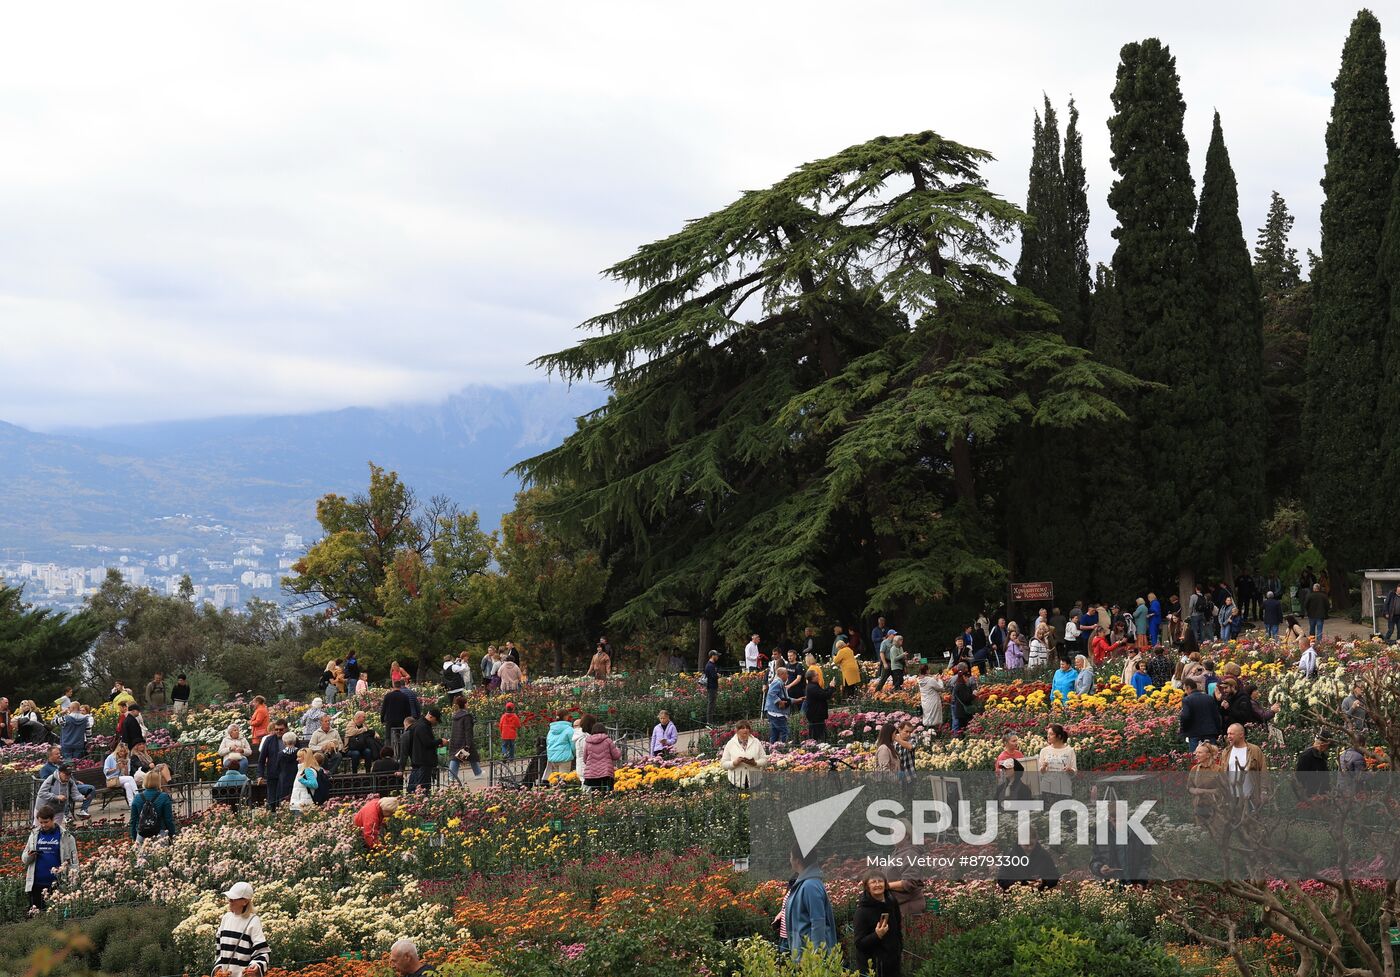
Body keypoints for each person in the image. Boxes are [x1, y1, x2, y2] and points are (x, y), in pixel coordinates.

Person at [780, 843, 837, 961]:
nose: (789, 860)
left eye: (790, 857)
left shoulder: (810, 886)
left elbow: (818, 922)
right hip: (802, 953)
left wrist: (817, 956)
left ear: (797, 860)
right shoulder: (804, 883)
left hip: (809, 957)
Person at [22, 806, 76, 911]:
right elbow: (24, 859)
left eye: (46, 822)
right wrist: (29, 855)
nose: (43, 825)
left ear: (53, 819)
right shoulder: (34, 836)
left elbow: (74, 861)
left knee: (55, 915)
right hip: (36, 884)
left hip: (57, 884)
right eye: (40, 822)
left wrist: (73, 882)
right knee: (36, 916)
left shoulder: (66, 836)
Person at [213, 881, 270, 976]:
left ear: (245, 901)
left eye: (233, 898)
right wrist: (218, 969)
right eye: (229, 898)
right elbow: (219, 950)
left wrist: (256, 965)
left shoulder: (253, 921)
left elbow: (262, 951)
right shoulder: (226, 918)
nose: (230, 900)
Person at [852, 871, 903, 976]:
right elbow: (859, 943)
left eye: (880, 881)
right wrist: (877, 935)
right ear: (867, 886)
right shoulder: (862, 911)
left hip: (892, 963)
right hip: (873, 967)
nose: (877, 885)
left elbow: (898, 928)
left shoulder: (892, 902)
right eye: (873, 882)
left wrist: (899, 949)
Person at [1224, 723, 1267, 807]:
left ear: (1241, 734)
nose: (1228, 736)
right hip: (1232, 798)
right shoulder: (1226, 752)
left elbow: (1263, 771)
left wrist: (1264, 791)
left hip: (1251, 797)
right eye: (1228, 733)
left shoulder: (1254, 750)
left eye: (1231, 733)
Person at [130, 767, 178, 842]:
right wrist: (172, 835)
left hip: (142, 834)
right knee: (161, 853)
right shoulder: (164, 797)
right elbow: (168, 819)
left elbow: (133, 820)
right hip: (160, 834)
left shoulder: (137, 798)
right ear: (158, 782)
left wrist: (134, 836)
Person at [406, 707, 444, 794]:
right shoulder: (422, 726)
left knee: (418, 787)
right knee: (423, 788)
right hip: (423, 761)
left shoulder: (420, 724)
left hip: (419, 760)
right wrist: (440, 741)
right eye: (436, 720)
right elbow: (427, 743)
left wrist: (438, 744)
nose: (436, 723)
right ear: (431, 717)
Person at [720, 721, 768, 789]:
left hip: (755, 780)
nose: (745, 730)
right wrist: (734, 763)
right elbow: (723, 764)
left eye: (747, 728)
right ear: (737, 730)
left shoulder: (756, 742)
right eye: (742, 728)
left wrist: (755, 763)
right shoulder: (730, 744)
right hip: (736, 781)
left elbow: (764, 759)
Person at [1179, 677, 1222, 751]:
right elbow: (1216, 716)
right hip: (1210, 732)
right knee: (1212, 756)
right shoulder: (1209, 698)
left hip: (1194, 733)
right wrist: (1218, 730)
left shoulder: (1187, 700)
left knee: (1196, 757)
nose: (1185, 692)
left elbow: (1185, 716)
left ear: (1188, 687)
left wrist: (1183, 730)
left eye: (1185, 689)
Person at [1037, 723, 1076, 804]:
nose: (1048, 736)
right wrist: (1043, 768)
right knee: (1048, 815)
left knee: (1064, 815)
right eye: (1047, 734)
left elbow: (1074, 772)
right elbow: (1040, 773)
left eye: (1051, 734)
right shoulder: (1044, 751)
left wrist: (1070, 770)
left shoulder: (1069, 751)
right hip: (1047, 789)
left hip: (1064, 789)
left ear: (1059, 736)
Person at [257, 723, 293, 809]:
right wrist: (260, 775)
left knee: (286, 799)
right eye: (276, 729)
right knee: (272, 799)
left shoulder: (292, 738)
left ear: (286, 729)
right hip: (273, 773)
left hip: (288, 774)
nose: (278, 731)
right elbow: (261, 759)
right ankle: (272, 817)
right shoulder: (269, 740)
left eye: (281, 729)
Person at [581, 718, 621, 791]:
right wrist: (618, 749)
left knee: (593, 796)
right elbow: (616, 756)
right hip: (606, 773)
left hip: (591, 774)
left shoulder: (588, 742)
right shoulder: (608, 741)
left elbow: (585, 759)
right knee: (606, 794)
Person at [449, 696, 482, 781]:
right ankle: (452, 776)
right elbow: (468, 730)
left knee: (460, 757)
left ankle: (478, 772)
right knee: (461, 757)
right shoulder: (466, 716)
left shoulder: (455, 715)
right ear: (465, 704)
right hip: (464, 740)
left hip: (456, 739)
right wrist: (468, 743)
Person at [380, 680, 414, 758]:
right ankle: (400, 756)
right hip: (401, 721)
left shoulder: (388, 696)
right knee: (400, 739)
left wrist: (382, 719)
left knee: (388, 738)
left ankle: (388, 756)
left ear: (393, 686)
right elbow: (408, 710)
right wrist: (408, 721)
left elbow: (383, 709)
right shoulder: (404, 696)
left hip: (390, 721)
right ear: (401, 686)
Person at [1295, 732, 1332, 799]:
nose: (1326, 748)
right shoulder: (1306, 756)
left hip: (1322, 794)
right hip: (1311, 794)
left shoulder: (1322, 756)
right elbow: (1300, 777)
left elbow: (1325, 776)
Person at [802, 670, 835, 743]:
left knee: (820, 734)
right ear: (812, 677)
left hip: (816, 714)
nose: (818, 676)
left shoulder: (813, 685)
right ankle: (816, 748)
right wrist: (832, 687)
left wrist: (829, 687)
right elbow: (825, 695)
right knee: (817, 736)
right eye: (816, 675)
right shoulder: (812, 687)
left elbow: (822, 692)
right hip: (815, 715)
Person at [765, 667, 793, 744]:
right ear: (782, 674)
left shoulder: (779, 683)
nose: (788, 675)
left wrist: (797, 700)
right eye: (786, 673)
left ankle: (772, 749)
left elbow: (785, 698)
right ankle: (785, 748)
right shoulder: (778, 682)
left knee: (775, 733)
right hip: (777, 713)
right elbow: (771, 693)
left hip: (773, 712)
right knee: (785, 731)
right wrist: (779, 702)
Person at [289, 749, 321, 813]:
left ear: (305, 758)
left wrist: (302, 780)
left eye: (299, 757)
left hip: (303, 803)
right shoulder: (302, 769)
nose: (297, 759)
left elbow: (314, 784)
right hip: (299, 803)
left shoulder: (308, 770)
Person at [545, 712, 575, 778]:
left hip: (552, 757)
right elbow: (573, 744)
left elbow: (548, 742)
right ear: (566, 717)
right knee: (564, 779)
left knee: (554, 779)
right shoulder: (569, 729)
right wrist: (573, 754)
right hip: (565, 757)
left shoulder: (551, 730)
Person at [703, 651, 721, 722]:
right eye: (716, 655)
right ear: (712, 656)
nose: (717, 657)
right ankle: (709, 722)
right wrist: (718, 675)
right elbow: (713, 676)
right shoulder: (709, 665)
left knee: (712, 704)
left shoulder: (712, 664)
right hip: (711, 687)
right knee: (711, 704)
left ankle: (711, 721)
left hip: (713, 686)